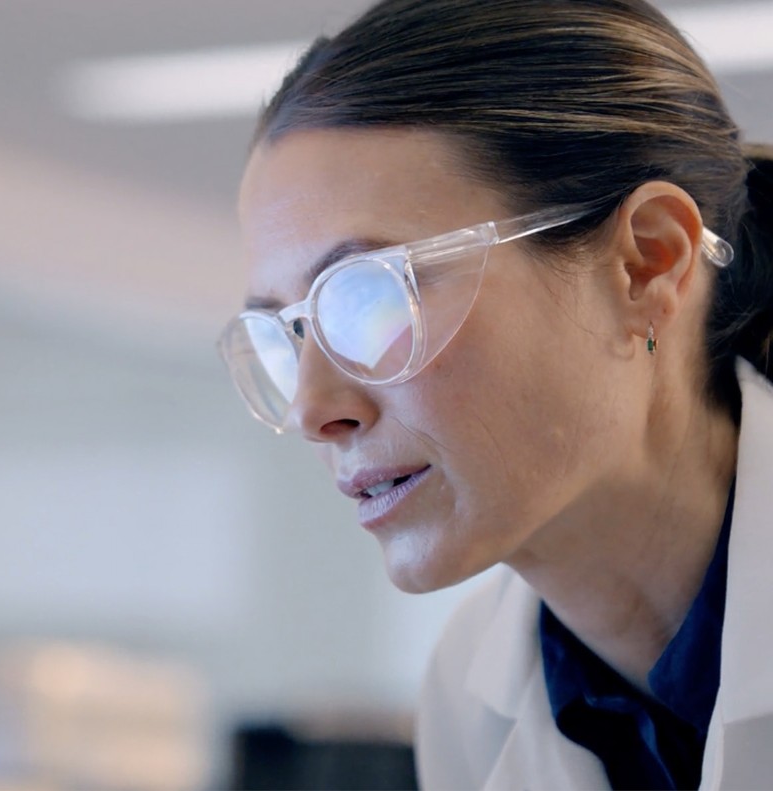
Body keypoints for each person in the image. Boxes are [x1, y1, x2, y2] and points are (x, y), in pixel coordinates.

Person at [217, 0, 773, 788]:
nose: (314, 409)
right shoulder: (468, 696)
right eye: (286, 333)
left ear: (647, 262)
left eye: (370, 298)